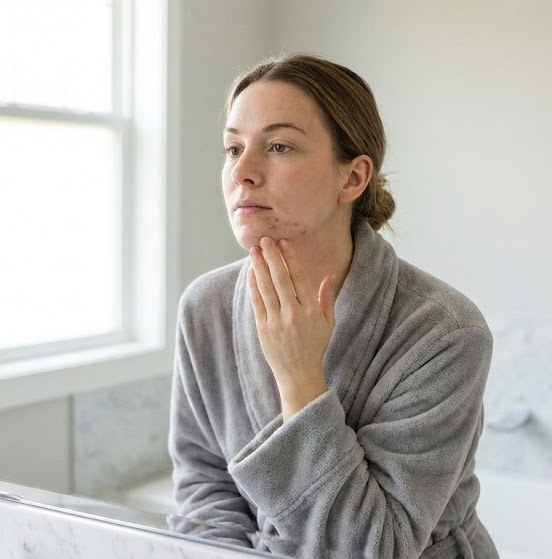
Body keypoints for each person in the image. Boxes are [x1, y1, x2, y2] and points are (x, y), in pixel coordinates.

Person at [168, 54, 499, 559]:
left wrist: (300, 379)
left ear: (353, 178)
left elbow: (377, 549)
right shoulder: (205, 308)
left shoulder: (443, 331)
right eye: (233, 147)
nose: (243, 171)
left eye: (278, 146)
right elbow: (204, 488)